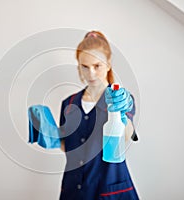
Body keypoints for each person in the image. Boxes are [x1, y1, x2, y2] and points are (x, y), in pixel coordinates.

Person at [58, 31, 139, 199]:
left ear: (108, 64)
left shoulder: (121, 99)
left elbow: (126, 135)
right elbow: (66, 147)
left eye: (97, 66)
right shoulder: (68, 104)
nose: (91, 74)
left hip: (109, 189)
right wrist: (47, 133)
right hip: (74, 189)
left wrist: (122, 113)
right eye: (85, 67)